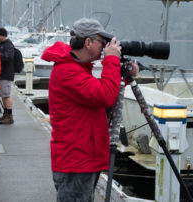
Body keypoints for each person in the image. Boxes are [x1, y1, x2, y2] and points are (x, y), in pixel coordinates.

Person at [41, 18, 139, 202]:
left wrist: (124, 75)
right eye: (102, 42)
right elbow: (104, 96)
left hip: (84, 156)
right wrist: (111, 60)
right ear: (88, 42)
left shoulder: (78, 68)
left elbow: (96, 94)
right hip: (76, 160)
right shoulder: (67, 71)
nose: (105, 47)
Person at [0, 27, 15, 124]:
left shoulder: (8, 45)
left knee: (6, 95)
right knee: (3, 95)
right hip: (0, 73)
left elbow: (9, 57)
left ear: (3, 35)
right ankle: (5, 114)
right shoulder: (0, 45)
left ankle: (9, 116)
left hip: (6, 73)